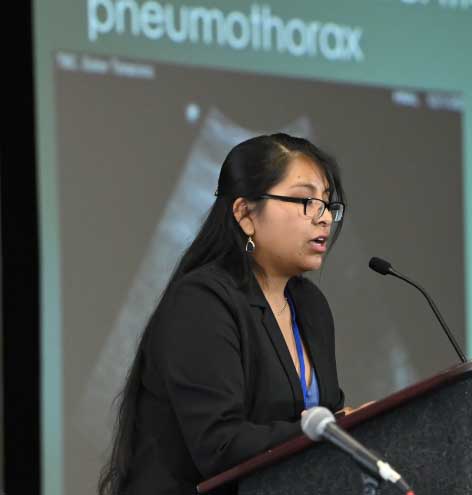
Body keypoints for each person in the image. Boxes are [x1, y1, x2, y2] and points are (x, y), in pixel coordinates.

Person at [98, 133, 347, 494]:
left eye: (327, 203)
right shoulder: (201, 302)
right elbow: (221, 445)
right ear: (245, 214)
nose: (324, 218)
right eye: (306, 201)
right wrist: (333, 430)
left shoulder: (310, 306)